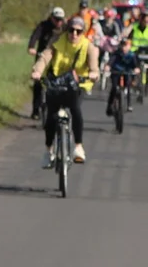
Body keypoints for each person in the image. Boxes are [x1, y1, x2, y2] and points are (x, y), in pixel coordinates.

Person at [31, 16, 100, 166]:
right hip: (56, 82)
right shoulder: (57, 42)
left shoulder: (88, 47)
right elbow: (44, 58)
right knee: (51, 116)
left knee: (75, 109)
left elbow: (94, 66)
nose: (74, 34)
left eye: (78, 31)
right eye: (71, 30)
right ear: (67, 30)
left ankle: (78, 147)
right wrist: (37, 71)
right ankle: (48, 151)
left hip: (78, 84)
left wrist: (93, 74)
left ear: (83, 32)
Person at [27, 7, 65, 119]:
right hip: (42, 57)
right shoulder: (44, 26)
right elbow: (35, 36)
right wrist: (31, 47)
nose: (59, 22)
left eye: (60, 19)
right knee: (38, 83)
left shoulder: (64, 28)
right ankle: (35, 110)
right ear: (51, 17)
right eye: (56, 19)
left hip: (57, 58)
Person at [105, 39, 139, 115]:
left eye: (126, 45)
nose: (124, 47)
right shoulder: (116, 53)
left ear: (130, 46)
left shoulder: (131, 55)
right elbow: (111, 61)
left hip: (127, 72)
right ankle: (109, 105)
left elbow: (135, 64)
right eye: (123, 45)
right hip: (116, 71)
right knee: (114, 88)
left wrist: (136, 68)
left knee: (128, 86)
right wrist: (108, 66)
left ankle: (129, 104)